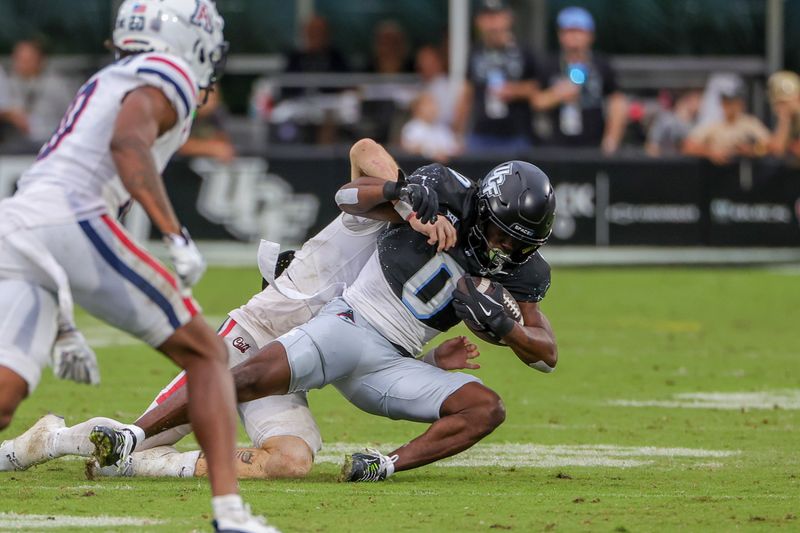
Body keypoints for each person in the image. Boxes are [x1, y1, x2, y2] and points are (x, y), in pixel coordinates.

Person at [1, 139, 478, 481]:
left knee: (291, 461)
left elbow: (363, 353)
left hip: (290, 367)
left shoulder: (412, 265)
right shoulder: (376, 216)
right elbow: (363, 148)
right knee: (145, 432)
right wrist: (406, 195)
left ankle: (136, 465)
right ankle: (49, 441)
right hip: (255, 337)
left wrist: (427, 364)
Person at [88, 157, 559, 482]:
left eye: (521, 244)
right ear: (484, 208)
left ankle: (384, 466)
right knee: (248, 377)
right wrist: (398, 190)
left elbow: (546, 355)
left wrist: (510, 331)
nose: (507, 250)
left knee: (487, 408)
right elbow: (348, 197)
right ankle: (134, 435)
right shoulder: (442, 190)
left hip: (394, 365)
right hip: (349, 323)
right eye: (503, 234)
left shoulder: (522, 267)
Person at [0, 1, 272, 532]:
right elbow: (128, 140)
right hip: (70, 219)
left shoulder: (115, 74)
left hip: (19, 224)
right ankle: (231, 515)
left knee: (6, 394)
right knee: (207, 352)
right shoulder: (166, 70)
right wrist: (174, 232)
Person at [532, 6, 627, 154]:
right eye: (569, 31)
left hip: (593, 145)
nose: (574, 37)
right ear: (560, 35)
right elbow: (536, 101)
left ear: (590, 35)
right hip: (555, 146)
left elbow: (617, 101)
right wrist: (557, 95)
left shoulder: (601, 65)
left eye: (579, 31)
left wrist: (611, 139)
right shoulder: (549, 65)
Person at [453, 0, 538, 153]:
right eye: (487, 17)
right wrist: (457, 135)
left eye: (497, 16)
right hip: (481, 136)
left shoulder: (524, 51)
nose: (493, 23)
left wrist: (513, 90)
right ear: (478, 22)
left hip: (516, 136)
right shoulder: (475, 52)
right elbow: (467, 93)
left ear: (508, 18)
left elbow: (537, 89)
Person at [0, 39, 74, 145]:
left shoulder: (57, 85)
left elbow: (71, 115)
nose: (23, 63)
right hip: (16, 145)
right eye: (20, 59)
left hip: (52, 142)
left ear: (40, 60)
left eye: (28, 59)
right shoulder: (7, 83)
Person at [682, 79, 770, 165]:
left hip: (745, 172)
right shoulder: (714, 123)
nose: (730, 106)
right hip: (716, 173)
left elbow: (772, 146)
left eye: (734, 101)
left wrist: (752, 150)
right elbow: (688, 146)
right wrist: (710, 152)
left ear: (740, 103)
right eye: (726, 102)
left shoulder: (750, 123)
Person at [177, 84, 237, 163]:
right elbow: (180, 146)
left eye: (214, 98)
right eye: (205, 97)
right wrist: (210, 148)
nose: (210, 103)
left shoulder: (217, 114)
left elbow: (224, 143)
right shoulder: (187, 114)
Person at [401, 92, 461, 161]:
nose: (433, 108)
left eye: (435, 104)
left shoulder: (442, 129)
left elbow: (454, 148)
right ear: (417, 108)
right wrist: (431, 152)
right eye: (428, 104)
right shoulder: (412, 128)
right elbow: (409, 147)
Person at [645, 89, 702, 157]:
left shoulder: (698, 121)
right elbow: (652, 145)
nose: (700, 103)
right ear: (688, 100)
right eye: (697, 99)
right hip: (667, 162)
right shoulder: (666, 119)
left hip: (687, 162)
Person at [766, 70, 800, 160]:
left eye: (784, 103)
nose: (780, 108)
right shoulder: (787, 119)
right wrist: (785, 119)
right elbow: (777, 149)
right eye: (779, 103)